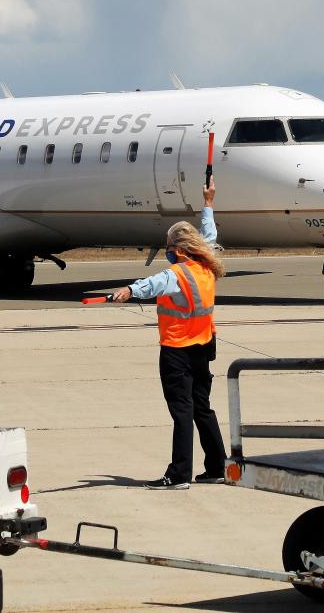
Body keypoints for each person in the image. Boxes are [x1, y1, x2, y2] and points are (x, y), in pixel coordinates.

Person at [111, 176, 227, 489]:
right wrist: (208, 204)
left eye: (168, 247)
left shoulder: (175, 273)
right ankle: (217, 466)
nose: (166, 252)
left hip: (177, 350)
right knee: (202, 408)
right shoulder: (207, 263)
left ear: (177, 249)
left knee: (182, 412)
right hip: (203, 346)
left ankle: (178, 475)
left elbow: (151, 285)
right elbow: (210, 235)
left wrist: (127, 290)